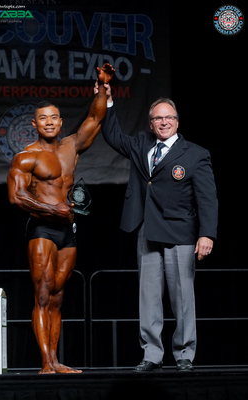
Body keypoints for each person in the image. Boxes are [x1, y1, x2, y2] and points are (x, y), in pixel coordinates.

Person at [98, 84, 218, 372]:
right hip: (147, 232)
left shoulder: (195, 154)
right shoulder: (142, 145)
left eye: (169, 118)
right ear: (150, 123)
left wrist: (207, 233)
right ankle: (152, 355)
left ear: (177, 122)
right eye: (158, 119)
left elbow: (207, 198)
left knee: (182, 298)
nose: (163, 122)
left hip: (181, 234)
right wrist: (108, 102)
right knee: (148, 299)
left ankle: (184, 355)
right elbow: (112, 135)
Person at [8, 63, 114, 374]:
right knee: (42, 294)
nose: (49, 122)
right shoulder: (26, 156)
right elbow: (17, 197)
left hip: (68, 233)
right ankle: (45, 363)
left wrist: (102, 85)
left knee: (57, 296)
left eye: (54, 117)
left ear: (60, 121)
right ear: (35, 123)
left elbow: (95, 118)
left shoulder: (71, 147)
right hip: (41, 229)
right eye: (43, 118)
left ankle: (56, 360)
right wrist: (53, 210)